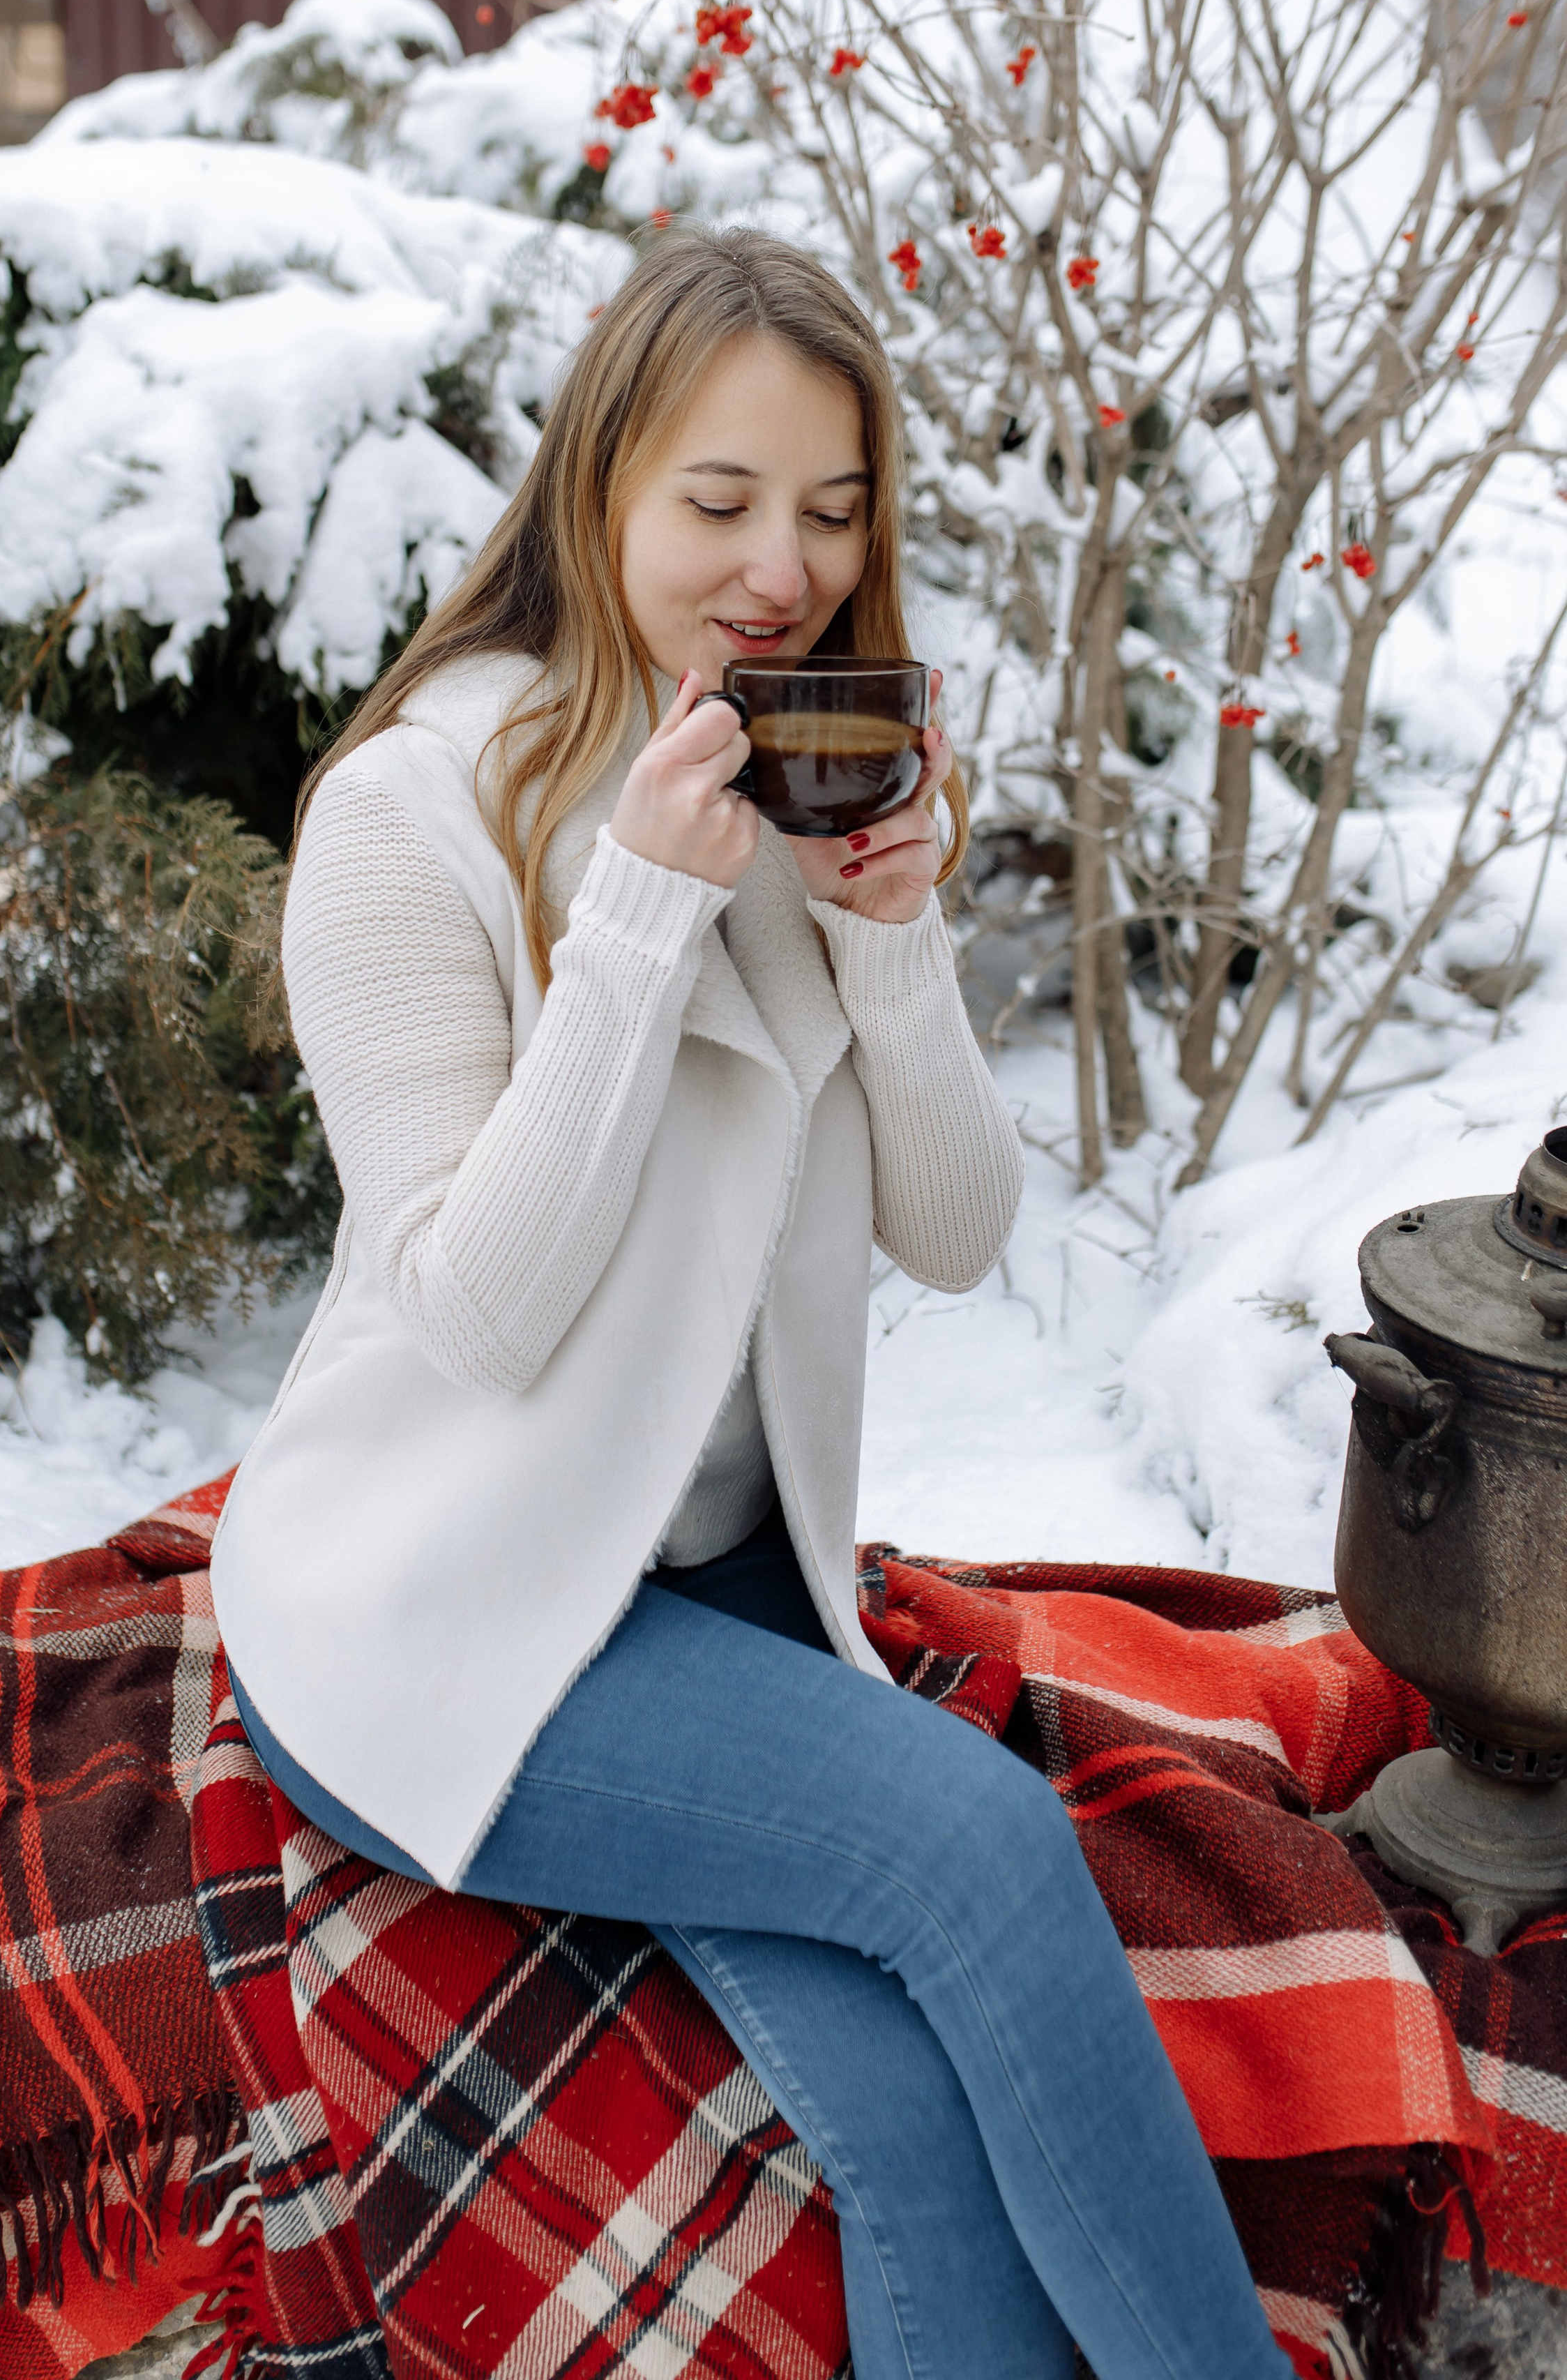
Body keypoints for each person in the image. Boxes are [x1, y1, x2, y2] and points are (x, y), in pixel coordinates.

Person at [211, 228, 1290, 2379]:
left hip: (718, 1591)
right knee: (979, 1848)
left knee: (911, 2127)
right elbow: (477, 1315)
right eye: (718, 504)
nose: (779, 564)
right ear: (599, 487)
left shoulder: (799, 768)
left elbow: (961, 1231)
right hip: (449, 1602)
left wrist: (887, 937)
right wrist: (634, 921)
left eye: (832, 506)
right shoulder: (408, 817)